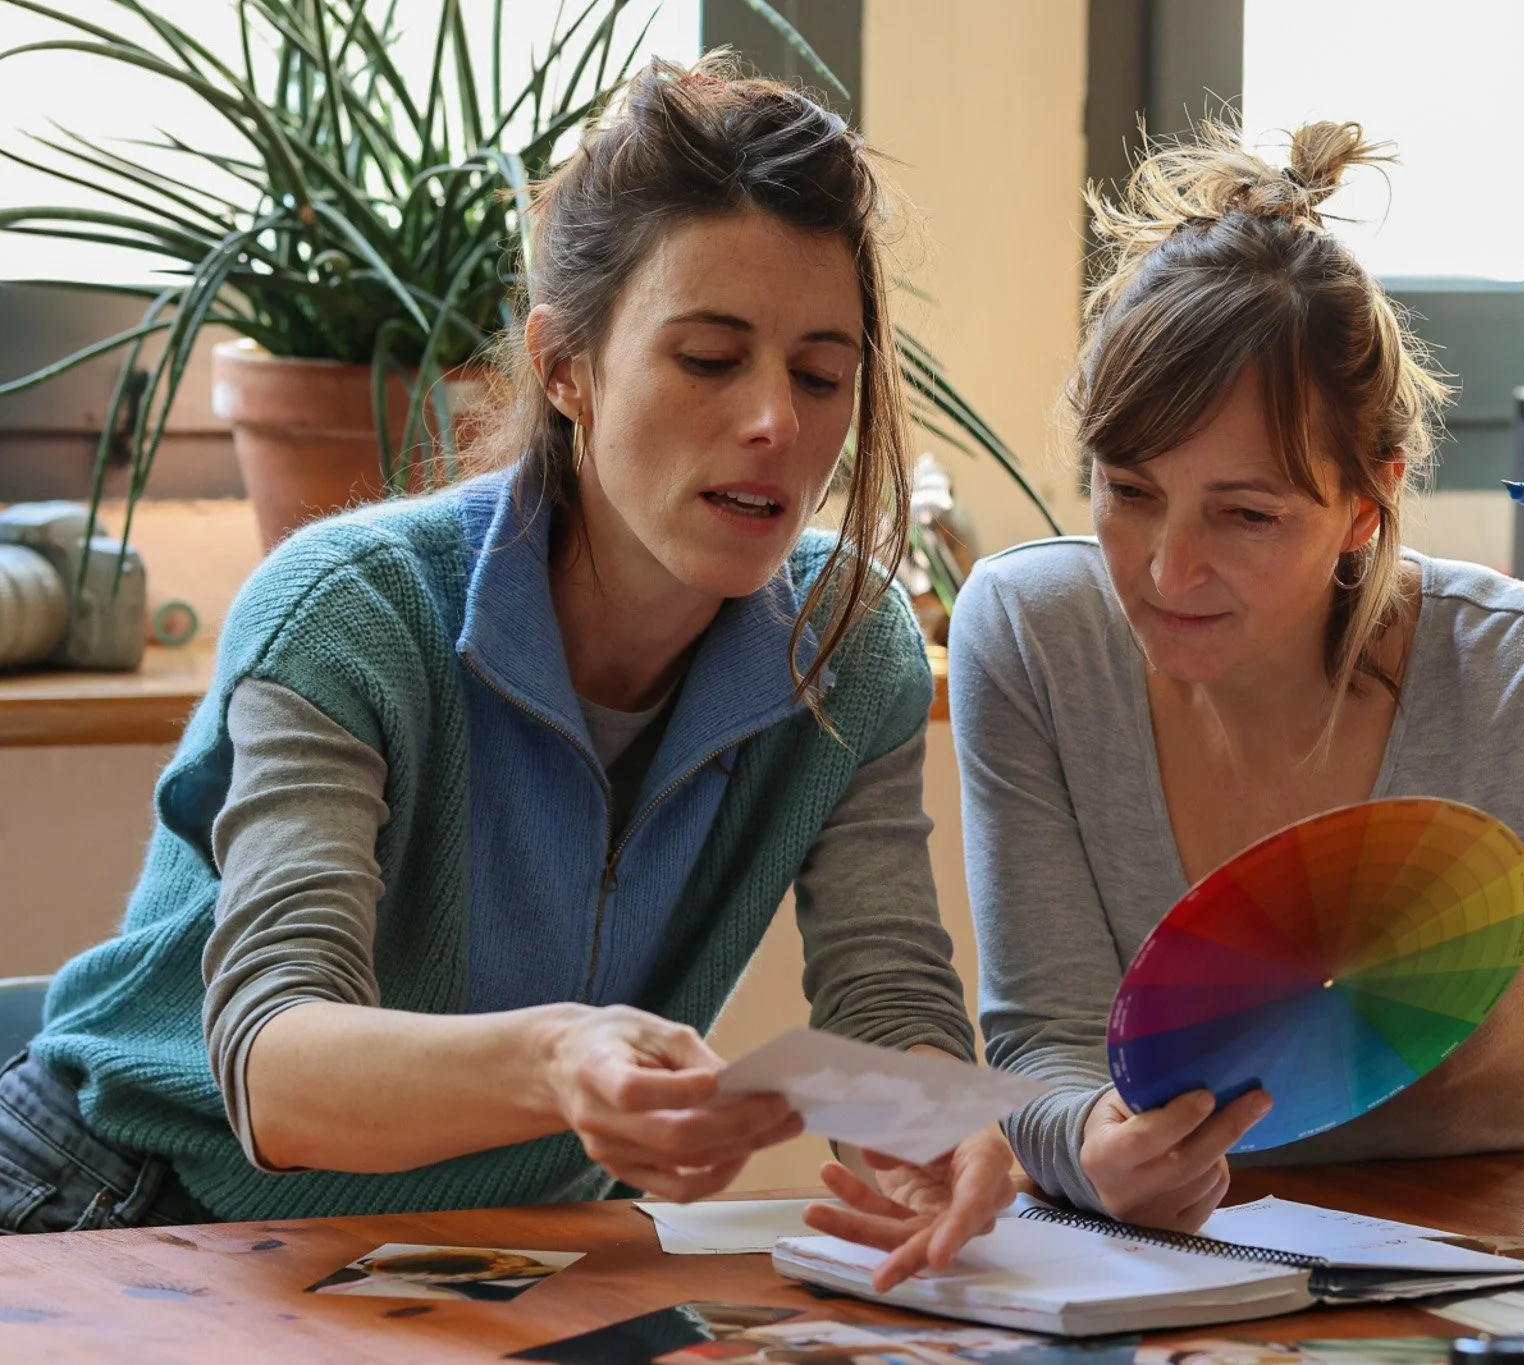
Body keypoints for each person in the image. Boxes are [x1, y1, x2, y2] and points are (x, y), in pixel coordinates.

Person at [2, 54, 1009, 1288]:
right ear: (565, 368)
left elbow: (885, 991)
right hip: (121, 1203)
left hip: (484, 1253)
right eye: (707, 358)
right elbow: (270, 1065)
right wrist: (554, 1063)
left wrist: (933, 1127)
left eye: (818, 375)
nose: (775, 425)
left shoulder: (849, 651)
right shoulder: (347, 611)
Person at [948, 122, 1524, 1233]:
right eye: (1127, 491)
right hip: (1171, 1290)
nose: (1167, 569)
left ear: (1365, 506)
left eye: (1247, 513)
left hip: (1495, 1270)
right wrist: (1086, 1148)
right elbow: (1040, 1044)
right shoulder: (1032, 638)